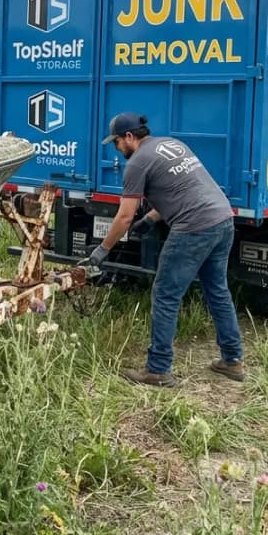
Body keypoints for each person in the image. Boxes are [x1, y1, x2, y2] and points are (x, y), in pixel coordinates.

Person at [84, 112, 244, 388]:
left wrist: (102, 250)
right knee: (217, 290)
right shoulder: (172, 145)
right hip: (223, 219)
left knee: (165, 294)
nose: (117, 148)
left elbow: (124, 216)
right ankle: (232, 360)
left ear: (130, 137)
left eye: (117, 142)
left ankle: (158, 369)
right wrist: (150, 219)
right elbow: (184, 190)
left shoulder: (137, 163)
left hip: (194, 228)